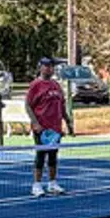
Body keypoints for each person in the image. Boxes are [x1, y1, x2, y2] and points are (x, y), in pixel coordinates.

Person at [23, 56, 77, 197]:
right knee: (41, 156)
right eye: (46, 66)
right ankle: (36, 185)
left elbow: (62, 105)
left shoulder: (56, 85)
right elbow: (28, 105)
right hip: (41, 128)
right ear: (40, 67)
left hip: (55, 129)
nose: (49, 68)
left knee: (53, 157)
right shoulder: (35, 85)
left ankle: (52, 183)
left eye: (51, 66)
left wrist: (68, 122)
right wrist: (35, 123)